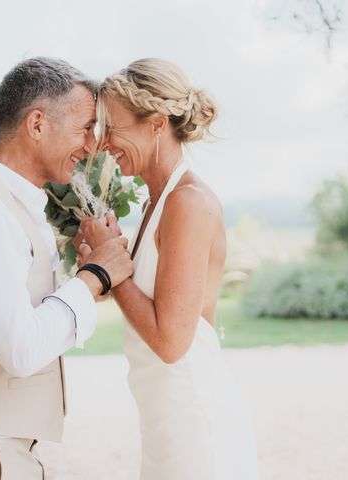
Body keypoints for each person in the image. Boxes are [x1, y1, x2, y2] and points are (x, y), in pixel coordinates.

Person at [0, 57, 133, 479]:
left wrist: (86, 278)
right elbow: (20, 349)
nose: (93, 146)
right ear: (37, 124)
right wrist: (94, 276)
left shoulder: (4, 205)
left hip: (0, 448)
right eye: (85, 127)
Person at [77, 58, 259, 480]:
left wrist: (110, 268)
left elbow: (171, 341)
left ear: (156, 124)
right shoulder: (152, 204)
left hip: (192, 423)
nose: (102, 145)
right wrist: (96, 263)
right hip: (165, 423)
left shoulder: (187, 203)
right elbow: (134, 293)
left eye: (113, 128)